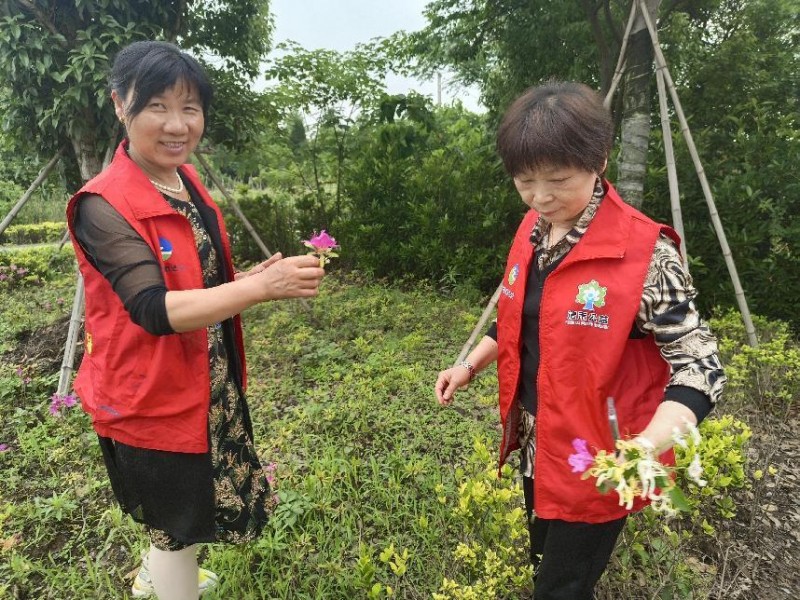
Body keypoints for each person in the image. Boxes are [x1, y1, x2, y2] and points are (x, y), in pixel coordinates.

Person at [434, 81, 725, 600]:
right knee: (543, 554)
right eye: (525, 181)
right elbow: (519, 315)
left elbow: (699, 366)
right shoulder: (532, 228)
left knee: (561, 587)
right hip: (539, 438)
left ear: (600, 160)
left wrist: (644, 450)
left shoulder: (646, 255)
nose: (541, 197)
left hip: (601, 455)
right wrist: (470, 366)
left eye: (558, 180)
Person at [66, 41, 325, 599]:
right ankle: (170, 580)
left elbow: (198, 278)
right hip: (151, 393)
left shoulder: (183, 180)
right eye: (157, 106)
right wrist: (258, 289)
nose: (177, 125)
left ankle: (164, 569)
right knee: (177, 521)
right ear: (120, 104)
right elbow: (153, 310)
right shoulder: (101, 204)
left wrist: (253, 275)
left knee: (188, 508)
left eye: (190, 108)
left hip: (203, 377)